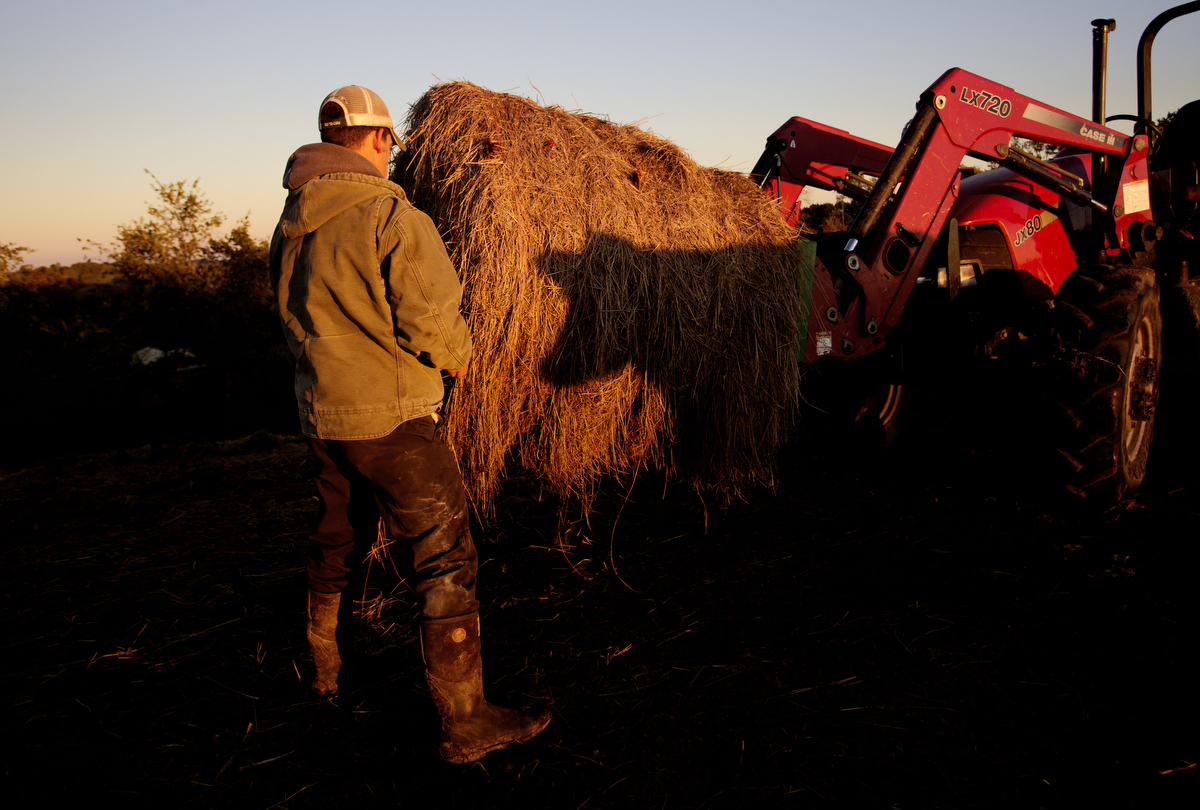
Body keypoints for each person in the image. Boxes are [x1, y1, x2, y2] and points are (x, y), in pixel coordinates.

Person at [268, 85, 550, 764]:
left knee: (336, 539)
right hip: (391, 418)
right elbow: (432, 319)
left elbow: (284, 313)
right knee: (445, 554)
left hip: (321, 413)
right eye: (390, 142)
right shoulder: (389, 214)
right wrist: (457, 359)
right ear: (379, 141)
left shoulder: (291, 220)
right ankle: (465, 719)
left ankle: (328, 676)